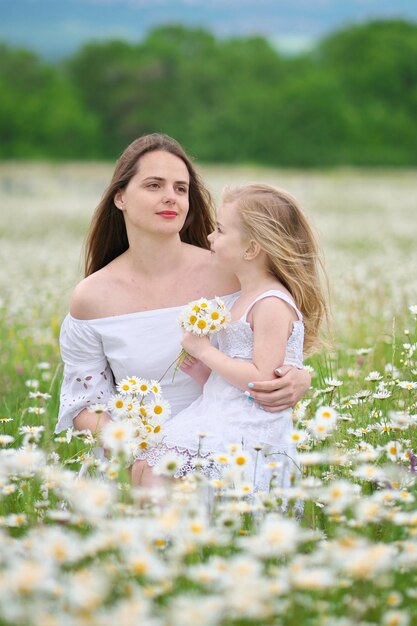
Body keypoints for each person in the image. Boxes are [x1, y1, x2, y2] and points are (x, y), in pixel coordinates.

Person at [56, 134, 311, 456]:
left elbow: (275, 337)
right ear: (120, 197)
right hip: (138, 463)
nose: (170, 197)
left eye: (180, 188)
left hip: (235, 452)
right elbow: (85, 405)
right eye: (153, 185)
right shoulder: (92, 296)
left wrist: (299, 378)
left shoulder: (232, 271)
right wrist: (138, 451)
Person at [134, 183, 328, 492]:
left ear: (251, 249)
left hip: (249, 427)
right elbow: (239, 369)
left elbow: (261, 378)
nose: (211, 237)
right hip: (221, 411)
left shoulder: (271, 303)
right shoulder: (244, 297)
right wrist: (206, 374)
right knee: (147, 465)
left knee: (154, 469)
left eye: (221, 231)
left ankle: (171, 536)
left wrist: (204, 351)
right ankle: (167, 535)